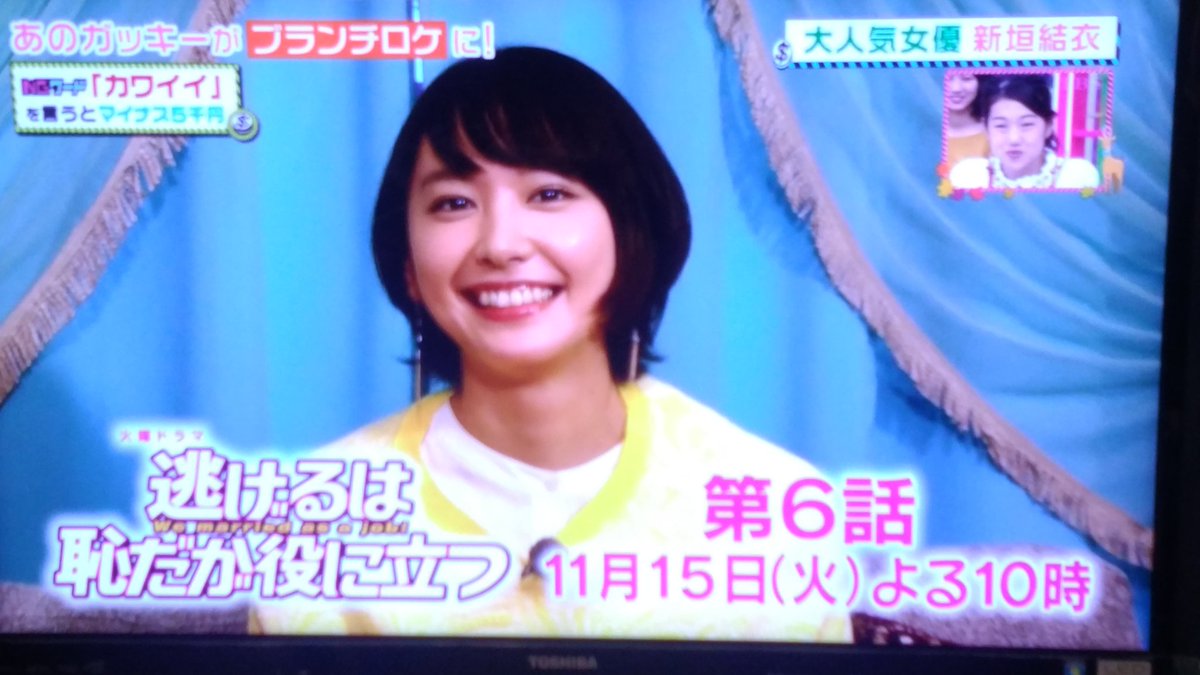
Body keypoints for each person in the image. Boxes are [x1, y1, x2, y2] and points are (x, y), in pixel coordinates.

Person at [252, 48, 850, 642]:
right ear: (407, 264)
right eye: (454, 203)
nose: (501, 245)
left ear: (631, 231)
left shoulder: (775, 507)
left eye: (548, 194)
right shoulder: (311, 523)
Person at [949, 74, 1101, 190]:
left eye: (1027, 124)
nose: (1014, 139)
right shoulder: (969, 176)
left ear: (1049, 126)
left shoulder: (1076, 176)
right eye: (1001, 126)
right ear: (986, 128)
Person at [943, 72, 990, 168]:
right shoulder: (919, 130)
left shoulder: (993, 132)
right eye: (948, 78)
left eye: (966, 78)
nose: (956, 88)